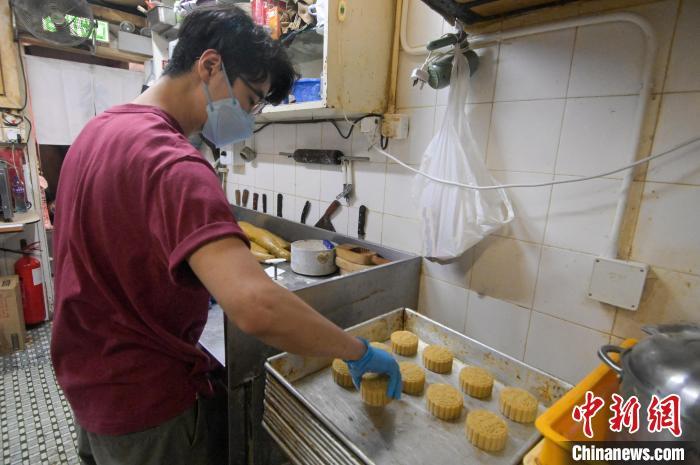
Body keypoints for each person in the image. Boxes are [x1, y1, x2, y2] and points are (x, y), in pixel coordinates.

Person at [50, 5, 401, 465]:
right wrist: (355, 351)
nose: (250, 119)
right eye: (252, 100)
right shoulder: (174, 163)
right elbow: (255, 306)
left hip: (88, 384)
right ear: (210, 66)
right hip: (147, 407)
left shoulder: (96, 132)